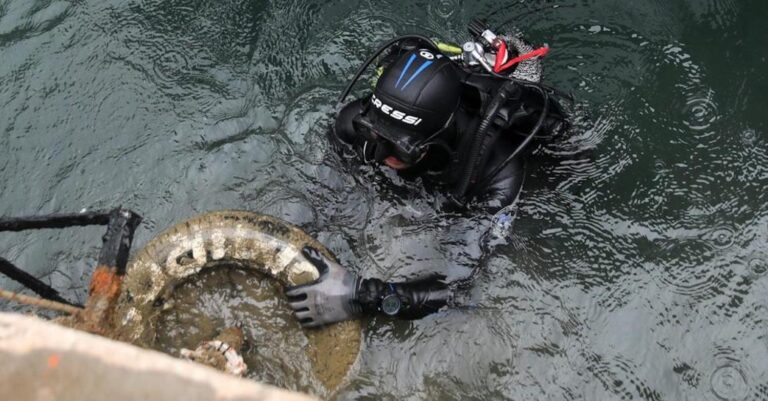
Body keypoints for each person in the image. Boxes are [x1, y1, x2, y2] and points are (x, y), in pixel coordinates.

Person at [286, 21, 570, 328]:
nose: (381, 156)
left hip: (538, 161)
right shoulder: (353, 122)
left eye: (401, 149)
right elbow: (321, 197)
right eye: (374, 135)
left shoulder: (497, 172)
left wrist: (367, 296)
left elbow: (462, 286)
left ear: (437, 139)